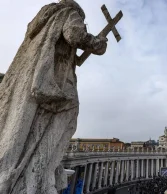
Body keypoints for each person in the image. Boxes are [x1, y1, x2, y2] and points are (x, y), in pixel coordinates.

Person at [0, 0, 107, 193]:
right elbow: (74, 34)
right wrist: (98, 43)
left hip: (30, 78)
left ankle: (28, 172)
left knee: (23, 126)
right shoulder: (71, 13)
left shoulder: (44, 19)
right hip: (55, 80)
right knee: (69, 114)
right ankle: (38, 173)